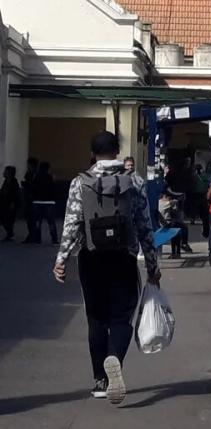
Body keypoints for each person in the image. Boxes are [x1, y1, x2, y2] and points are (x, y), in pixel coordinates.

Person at [52, 131, 160, 405]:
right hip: (123, 257)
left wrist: (61, 259)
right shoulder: (134, 181)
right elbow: (145, 225)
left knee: (96, 318)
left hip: (92, 258)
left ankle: (99, 380)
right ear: (117, 151)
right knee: (121, 318)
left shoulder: (80, 182)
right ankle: (115, 359)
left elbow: (72, 223)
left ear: (93, 153)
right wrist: (152, 266)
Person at [26, 162, 58, 244]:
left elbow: (32, 188)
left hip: (37, 201)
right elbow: (54, 189)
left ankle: (37, 238)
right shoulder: (51, 177)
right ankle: (54, 239)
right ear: (48, 169)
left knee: (37, 222)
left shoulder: (36, 177)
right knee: (51, 222)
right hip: (49, 202)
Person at [0, 166, 19, 241]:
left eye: (6, 171)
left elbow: (14, 194)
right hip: (4, 203)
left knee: (8, 219)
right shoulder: (6, 181)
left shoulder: (14, 182)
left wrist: (13, 203)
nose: (4, 173)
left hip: (9, 204)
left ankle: (10, 234)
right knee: (4, 218)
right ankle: (10, 234)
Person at [193, 164, 211, 238]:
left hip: (195, 195)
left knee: (195, 208)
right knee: (205, 215)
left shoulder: (194, 177)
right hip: (203, 195)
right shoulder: (205, 176)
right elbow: (208, 184)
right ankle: (205, 231)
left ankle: (193, 218)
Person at [21, 157, 38, 239]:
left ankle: (33, 234)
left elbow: (34, 186)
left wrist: (27, 184)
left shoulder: (35, 174)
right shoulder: (29, 174)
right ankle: (31, 234)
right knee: (29, 218)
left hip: (33, 197)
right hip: (28, 197)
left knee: (32, 218)